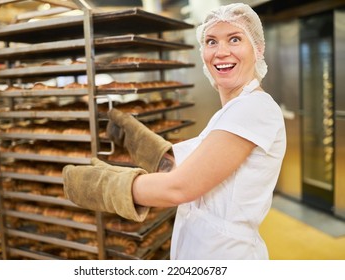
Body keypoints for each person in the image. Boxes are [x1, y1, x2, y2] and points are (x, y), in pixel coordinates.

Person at [63, 3, 286, 260]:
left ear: (257, 49)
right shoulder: (232, 111)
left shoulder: (253, 108)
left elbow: (180, 187)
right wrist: (140, 141)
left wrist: (103, 186)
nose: (221, 52)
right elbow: (187, 169)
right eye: (211, 42)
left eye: (234, 39)